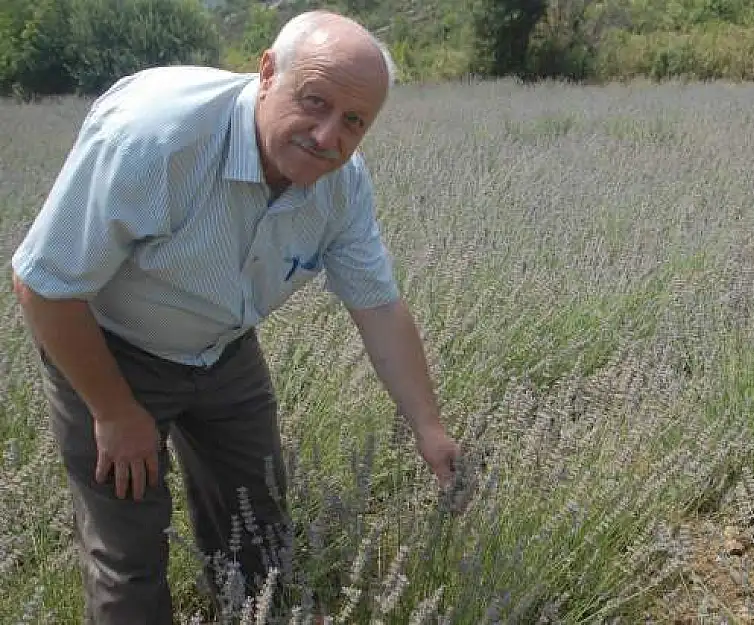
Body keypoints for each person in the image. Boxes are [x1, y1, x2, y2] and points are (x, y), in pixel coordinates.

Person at [8, 10, 460, 624]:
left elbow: (378, 306)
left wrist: (430, 430)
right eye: (314, 101)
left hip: (223, 349)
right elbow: (45, 287)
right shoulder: (153, 140)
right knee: (130, 556)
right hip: (107, 347)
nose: (328, 136)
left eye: (353, 121)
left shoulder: (341, 185)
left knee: (259, 529)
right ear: (268, 72)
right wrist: (114, 411)